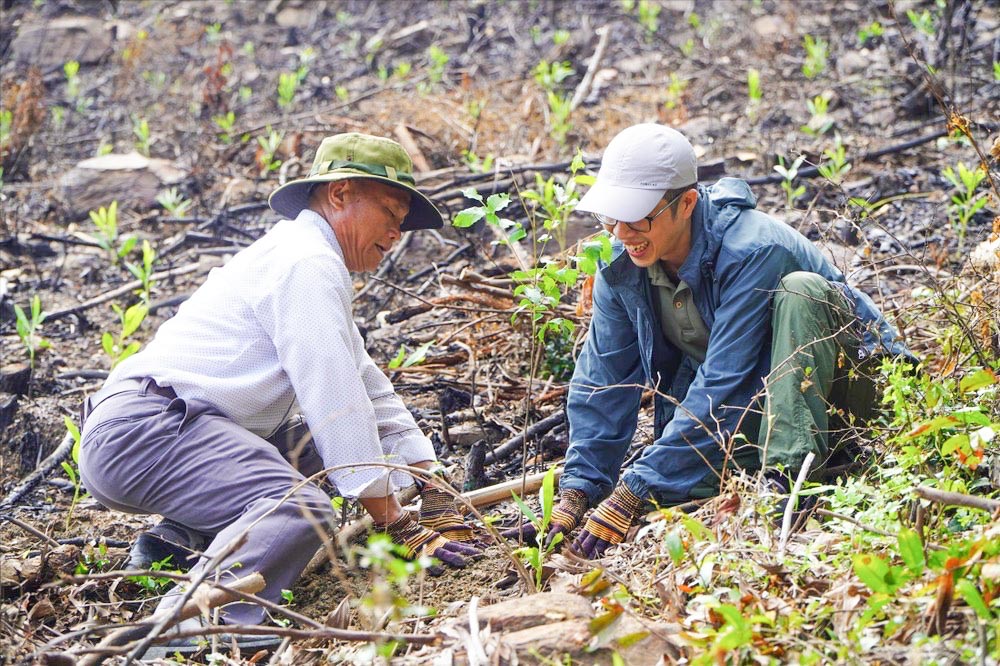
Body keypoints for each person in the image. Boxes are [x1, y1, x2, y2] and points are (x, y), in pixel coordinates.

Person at [78, 132, 481, 650]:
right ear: (340, 194)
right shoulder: (305, 263)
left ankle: (171, 547)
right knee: (299, 507)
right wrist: (395, 520)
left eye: (402, 221)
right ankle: (182, 639)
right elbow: (335, 397)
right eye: (389, 211)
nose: (397, 231)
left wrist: (429, 480)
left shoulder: (307, 257)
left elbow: (366, 384)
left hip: (159, 430)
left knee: (309, 453)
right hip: (148, 432)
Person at [527, 123, 912, 559]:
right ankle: (759, 469)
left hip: (849, 397)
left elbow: (727, 379)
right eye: (611, 217)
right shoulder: (621, 264)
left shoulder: (754, 249)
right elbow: (603, 378)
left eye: (637, 217)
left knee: (800, 290)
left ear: (686, 203)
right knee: (672, 491)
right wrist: (579, 489)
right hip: (758, 402)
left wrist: (637, 486)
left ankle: (789, 489)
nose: (621, 233)